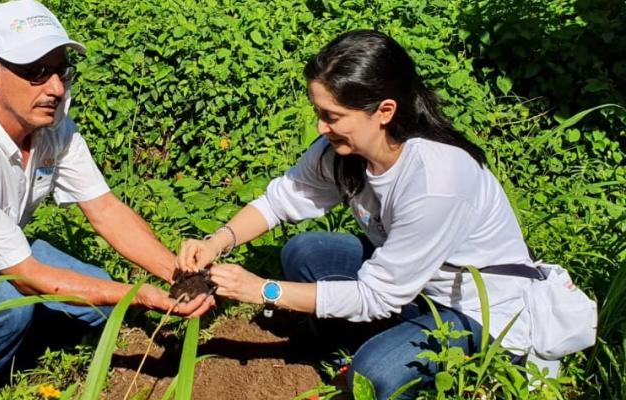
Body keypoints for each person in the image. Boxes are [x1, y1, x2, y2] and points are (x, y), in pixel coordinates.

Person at [0, 0, 213, 388]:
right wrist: (140, 296)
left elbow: (105, 210)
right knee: (4, 310)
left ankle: (19, 341)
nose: (55, 87)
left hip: (0, 255)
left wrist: (179, 276)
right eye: (36, 72)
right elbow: (26, 275)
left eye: (61, 69)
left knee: (98, 308)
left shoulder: (53, 127)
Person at [177, 30, 535, 398]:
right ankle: (381, 340)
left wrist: (262, 290)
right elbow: (279, 201)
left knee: (373, 376)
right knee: (306, 252)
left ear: (384, 111)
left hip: (478, 312)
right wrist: (217, 241)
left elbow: (376, 296)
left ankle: (382, 357)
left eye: (332, 116)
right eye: (318, 113)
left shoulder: (435, 182)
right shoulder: (341, 153)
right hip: (413, 289)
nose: (321, 127)